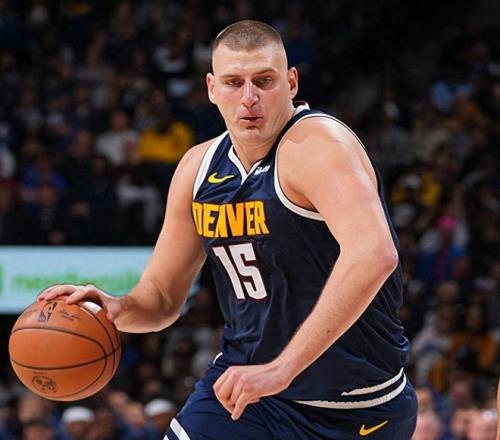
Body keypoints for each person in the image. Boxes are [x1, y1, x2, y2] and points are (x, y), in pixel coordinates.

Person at [39, 19, 418, 439]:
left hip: (354, 404)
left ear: (291, 82)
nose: (249, 98)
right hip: (248, 392)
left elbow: (373, 254)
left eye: (264, 81)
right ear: (211, 88)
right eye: (234, 82)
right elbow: (162, 296)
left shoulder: (317, 147)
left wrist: (282, 369)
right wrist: (116, 308)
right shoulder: (197, 169)